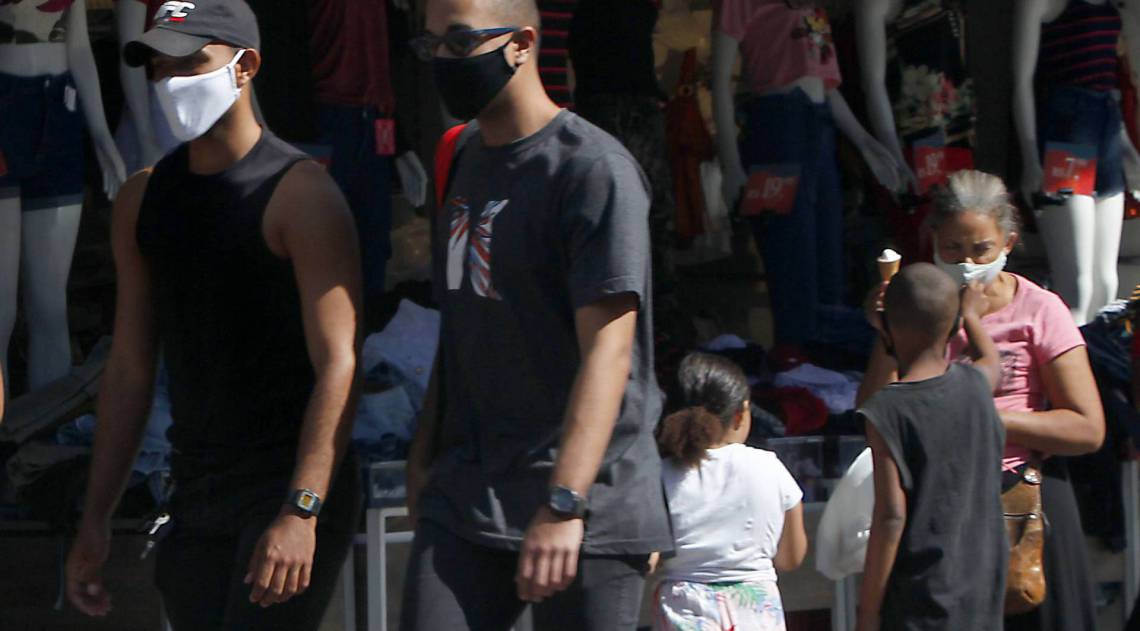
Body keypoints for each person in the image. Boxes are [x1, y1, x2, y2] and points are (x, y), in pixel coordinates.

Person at [63, 1, 364, 628]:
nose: (171, 82)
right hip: (197, 490)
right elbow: (129, 365)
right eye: (158, 67)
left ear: (245, 65)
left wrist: (302, 509)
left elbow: (339, 363)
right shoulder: (145, 198)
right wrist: (95, 518)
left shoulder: (300, 194)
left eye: (191, 63)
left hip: (284, 486)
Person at [400, 0, 673, 629]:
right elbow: (463, 322)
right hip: (469, 490)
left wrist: (566, 500)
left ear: (522, 44)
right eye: (432, 44)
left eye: (461, 41)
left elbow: (610, 351)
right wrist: (424, 457)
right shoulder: (463, 156)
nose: (444, 59)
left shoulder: (591, 169)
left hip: (585, 498)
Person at [857, 169, 1106, 631]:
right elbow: (877, 414)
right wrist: (885, 331)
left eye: (981, 250)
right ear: (932, 241)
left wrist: (980, 415)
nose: (966, 262)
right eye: (953, 249)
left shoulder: (1039, 310)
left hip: (1026, 502)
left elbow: (1087, 429)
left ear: (1008, 242)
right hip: (941, 507)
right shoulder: (920, 306)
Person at [856, 263, 1007, 630]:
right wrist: (971, 314)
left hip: (919, 599)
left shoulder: (886, 409)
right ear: (954, 328)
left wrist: (869, 611)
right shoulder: (974, 385)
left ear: (887, 327)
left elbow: (891, 517)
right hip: (981, 589)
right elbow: (993, 363)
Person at [653, 352, 807, 631]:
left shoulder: (660, 474)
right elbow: (790, 557)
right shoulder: (769, 467)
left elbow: (649, 557)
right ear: (739, 414)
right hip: (756, 610)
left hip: (683, 607)